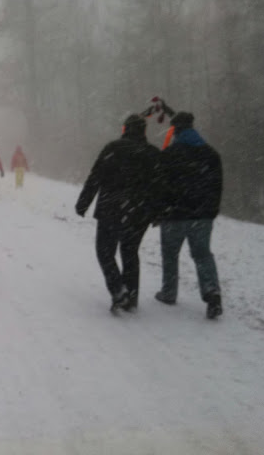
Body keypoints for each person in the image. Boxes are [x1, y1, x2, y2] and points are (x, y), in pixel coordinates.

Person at [75, 114, 161, 313]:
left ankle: (118, 290)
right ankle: (131, 296)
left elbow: (95, 176)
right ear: (144, 130)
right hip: (140, 212)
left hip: (111, 208)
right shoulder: (153, 153)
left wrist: (83, 202)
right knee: (130, 252)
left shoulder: (113, 148)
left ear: (125, 129)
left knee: (105, 251)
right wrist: (158, 212)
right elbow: (161, 186)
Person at [154, 112, 224, 319]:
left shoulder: (169, 154)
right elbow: (217, 185)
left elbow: (160, 185)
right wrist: (211, 210)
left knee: (170, 254)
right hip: (202, 216)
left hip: (174, 215)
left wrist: (159, 210)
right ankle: (212, 293)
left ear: (175, 130)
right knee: (202, 255)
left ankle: (169, 292)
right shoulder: (211, 154)